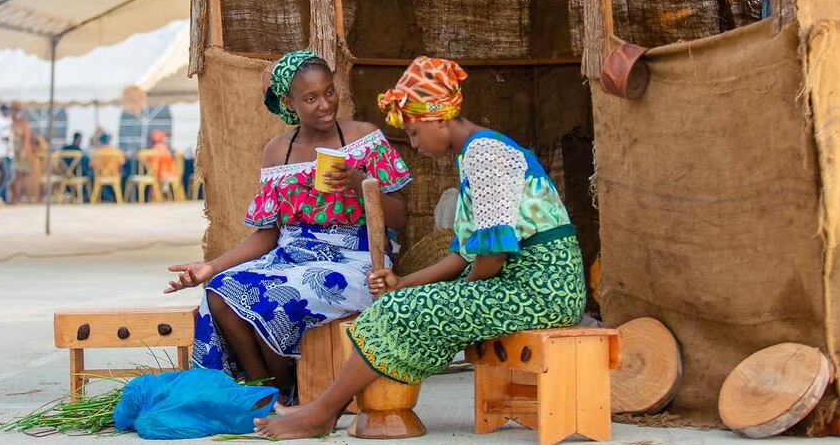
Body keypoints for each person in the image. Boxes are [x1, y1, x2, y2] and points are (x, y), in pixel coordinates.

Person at [255, 57, 586, 438]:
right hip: (520, 286)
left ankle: (322, 412)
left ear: (439, 118)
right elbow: (463, 255)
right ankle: (331, 411)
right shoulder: (472, 156)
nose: (414, 144)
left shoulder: (486, 154)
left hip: (544, 291)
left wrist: (450, 293)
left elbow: (491, 258)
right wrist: (405, 282)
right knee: (399, 304)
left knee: (404, 313)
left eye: (413, 133)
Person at [164, 49, 412, 405]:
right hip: (289, 256)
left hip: (356, 259)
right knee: (219, 292)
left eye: (329, 91)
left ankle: (284, 395)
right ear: (289, 102)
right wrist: (211, 267)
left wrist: (360, 183)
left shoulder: (365, 139)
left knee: (278, 297)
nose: (325, 104)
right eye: (310, 98)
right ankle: (265, 389)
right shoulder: (277, 152)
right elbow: (268, 233)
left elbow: (401, 216)